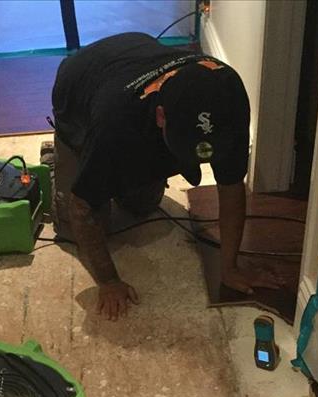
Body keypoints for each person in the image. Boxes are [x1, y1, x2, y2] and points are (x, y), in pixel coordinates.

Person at [49, 32, 280, 320]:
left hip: (133, 60)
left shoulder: (228, 93)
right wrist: (108, 281)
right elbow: (82, 208)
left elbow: (231, 187)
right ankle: (63, 155)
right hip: (78, 87)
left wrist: (230, 267)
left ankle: (107, 167)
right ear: (160, 117)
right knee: (78, 225)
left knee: (142, 206)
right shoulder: (116, 122)